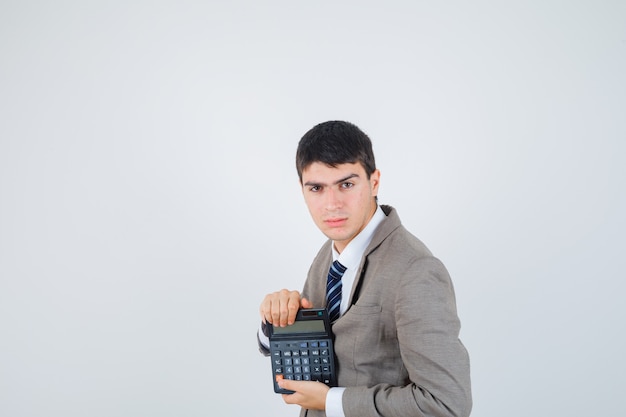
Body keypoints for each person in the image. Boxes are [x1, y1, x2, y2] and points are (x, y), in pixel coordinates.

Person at [257, 120, 472, 417]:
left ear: (374, 181)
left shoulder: (417, 271)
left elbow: (447, 404)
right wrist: (274, 322)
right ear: (302, 190)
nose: (332, 204)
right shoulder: (332, 250)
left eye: (346, 184)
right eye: (317, 188)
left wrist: (332, 401)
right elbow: (318, 347)